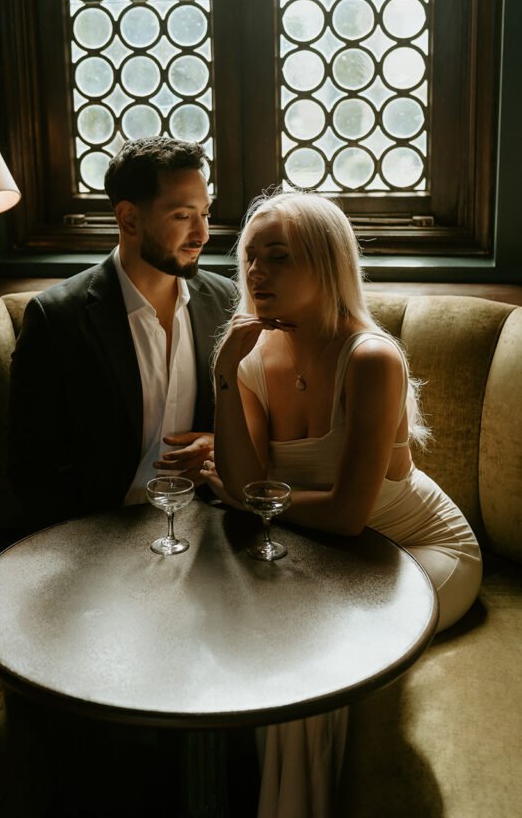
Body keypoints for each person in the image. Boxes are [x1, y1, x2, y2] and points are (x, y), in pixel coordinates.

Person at [205, 190, 483, 818]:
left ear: (327, 265)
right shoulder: (248, 355)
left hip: (424, 551)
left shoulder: (372, 358)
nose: (256, 274)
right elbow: (249, 486)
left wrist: (252, 502)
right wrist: (223, 375)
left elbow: (344, 514)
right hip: (336, 559)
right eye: (249, 258)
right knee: (283, 654)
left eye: (277, 258)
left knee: (321, 660)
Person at [9, 136, 236, 531]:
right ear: (128, 217)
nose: (202, 234)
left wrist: (224, 449)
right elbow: (31, 469)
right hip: (98, 534)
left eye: (206, 214)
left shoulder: (226, 301)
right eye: (183, 216)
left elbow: (258, 424)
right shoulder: (57, 318)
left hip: (207, 525)